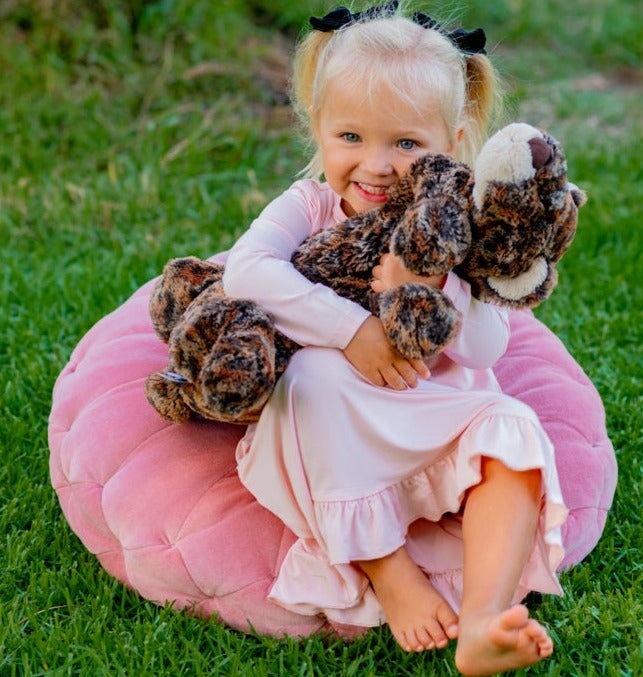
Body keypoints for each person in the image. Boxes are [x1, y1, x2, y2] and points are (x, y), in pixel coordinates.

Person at [223, 2, 568, 673]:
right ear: (318, 126)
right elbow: (247, 270)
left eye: (406, 144)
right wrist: (352, 330)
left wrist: (433, 285)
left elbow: (486, 349)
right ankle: (388, 568)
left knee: (513, 424)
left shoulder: (460, 221)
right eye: (350, 136)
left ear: (453, 139)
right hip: (336, 422)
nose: (375, 165)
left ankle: (482, 620)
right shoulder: (308, 206)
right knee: (311, 378)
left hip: (429, 408)